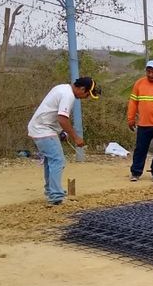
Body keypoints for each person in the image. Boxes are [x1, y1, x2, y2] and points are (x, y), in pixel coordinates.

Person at [26, 76, 101, 205]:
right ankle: (56, 196)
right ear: (82, 89)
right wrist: (76, 137)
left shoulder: (62, 88)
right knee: (58, 160)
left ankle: (52, 191)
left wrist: (61, 132)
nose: (86, 97)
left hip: (40, 127)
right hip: (43, 129)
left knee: (51, 161)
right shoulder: (68, 95)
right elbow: (62, 119)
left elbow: (53, 114)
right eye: (87, 94)